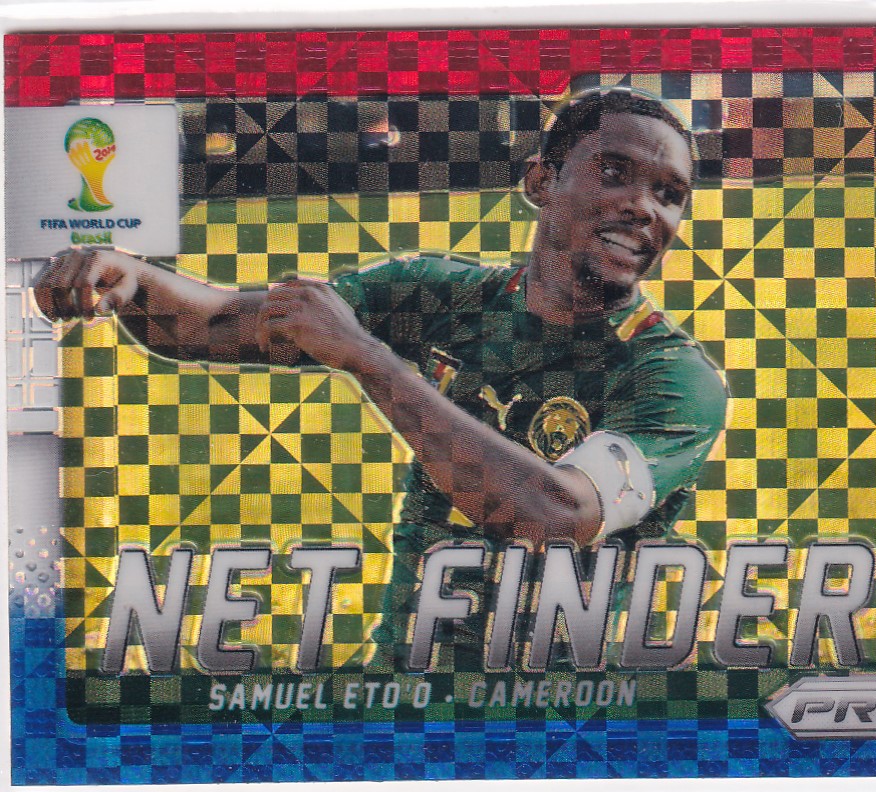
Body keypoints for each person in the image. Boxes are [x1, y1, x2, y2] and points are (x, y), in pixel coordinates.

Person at [35, 89, 728, 671]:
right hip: (404, 688)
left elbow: (556, 518)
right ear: (541, 181)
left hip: (556, 711)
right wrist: (130, 278)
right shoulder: (441, 295)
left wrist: (368, 358)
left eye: (669, 195)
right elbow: (212, 324)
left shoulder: (672, 376)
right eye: (614, 172)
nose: (644, 207)